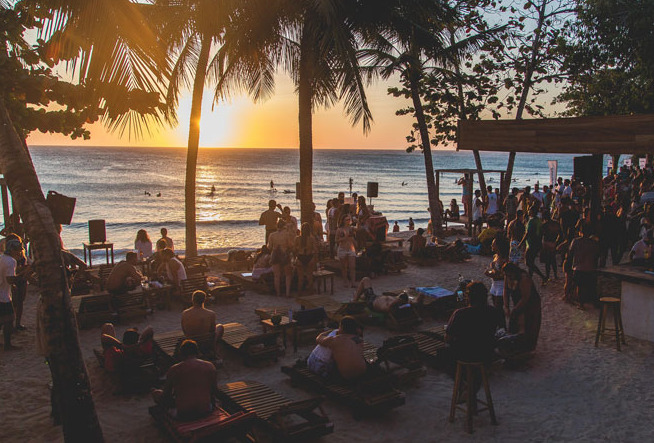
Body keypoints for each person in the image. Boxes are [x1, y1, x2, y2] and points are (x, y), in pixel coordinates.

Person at [152, 340, 218, 420]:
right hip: (206, 410)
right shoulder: (210, 366)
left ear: (181, 353)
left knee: (156, 393)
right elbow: (214, 390)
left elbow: (166, 395)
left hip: (184, 414)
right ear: (197, 352)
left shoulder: (174, 369)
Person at [446, 282, 501, 363]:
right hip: (487, 351)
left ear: (468, 296)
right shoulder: (493, 311)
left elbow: (448, 338)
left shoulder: (460, 313)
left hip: (465, 354)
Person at [501, 262, 542, 354]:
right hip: (518, 299)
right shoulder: (507, 276)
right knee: (516, 322)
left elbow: (525, 297)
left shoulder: (524, 278)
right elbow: (505, 291)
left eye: (509, 275)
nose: (508, 277)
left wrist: (515, 309)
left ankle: (528, 347)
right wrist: (506, 306)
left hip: (531, 302)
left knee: (529, 323)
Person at [310, 316, 366, 380]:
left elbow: (318, 339)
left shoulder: (336, 340)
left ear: (341, 327)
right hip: (361, 372)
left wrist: (329, 331)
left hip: (345, 376)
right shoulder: (360, 341)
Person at [565, 222, 600, 309]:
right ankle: (594, 302)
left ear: (580, 231)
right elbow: (597, 255)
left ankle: (581, 304)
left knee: (579, 287)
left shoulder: (575, 241)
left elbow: (570, 254)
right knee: (591, 286)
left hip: (578, 268)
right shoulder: (593, 243)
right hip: (591, 268)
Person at [181, 290, 224, 356]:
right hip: (205, 341)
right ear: (204, 300)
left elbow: (184, 329)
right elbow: (212, 331)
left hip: (191, 340)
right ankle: (214, 347)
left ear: (192, 300)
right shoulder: (211, 314)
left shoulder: (185, 313)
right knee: (220, 327)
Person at [0, 239, 23, 350]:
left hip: (2, 291)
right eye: (18, 250)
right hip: (3, 295)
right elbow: (10, 279)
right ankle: (8, 345)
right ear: (12, 250)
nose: (19, 252)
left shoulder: (1, 257)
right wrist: (22, 276)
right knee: (9, 319)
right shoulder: (11, 261)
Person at [485, 235, 509, 325]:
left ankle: (502, 326)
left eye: (493, 244)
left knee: (498, 309)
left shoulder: (504, 259)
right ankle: (500, 326)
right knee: (496, 308)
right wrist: (491, 272)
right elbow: (496, 271)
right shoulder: (496, 256)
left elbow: (504, 274)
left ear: (498, 246)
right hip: (494, 285)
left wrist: (491, 274)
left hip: (501, 286)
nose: (492, 246)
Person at [519, 206, 546, 282]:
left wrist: (521, 243)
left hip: (531, 243)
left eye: (530, 210)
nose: (528, 211)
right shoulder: (538, 220)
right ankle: (530, 277)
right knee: (531, 261)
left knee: (528, 262)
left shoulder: (532, 221)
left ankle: (542, 276)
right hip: (537, 243)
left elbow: (527, 233)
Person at [268, 220, 294, 297]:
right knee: (288, 275)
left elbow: (269, 247)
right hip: (284, 254)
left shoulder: (272, 235)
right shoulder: (287, 234)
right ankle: (287, 293)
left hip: (275, 254)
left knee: (277, 275)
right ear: (284, 226)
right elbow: (290, 245)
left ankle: (278, 293)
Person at [294, 222, 318, 295]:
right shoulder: (311, 239)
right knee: (309, 276)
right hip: (309, 256)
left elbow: (294, 249)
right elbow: (315, 250)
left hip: (300, 257)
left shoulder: (297, 238)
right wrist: (314, 258)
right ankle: (310, 292)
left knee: (300, 278)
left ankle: (299, 293)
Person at [336, 214, 357, 288]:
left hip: (350, 248)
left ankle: (353, 282)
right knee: (344, 267)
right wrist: (344, 238)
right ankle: (345, 281)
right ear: (343, 221)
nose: (348, 221)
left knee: (352, 266)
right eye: (346, 220)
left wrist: (356, 246)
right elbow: (336, 240)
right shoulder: (339, 230)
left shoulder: (351, 229)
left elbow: (353, 238)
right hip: (342, 249)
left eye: (349, 219)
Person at [540, 211, 561, 281]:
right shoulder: (556, 224)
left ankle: (548, 276)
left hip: (546, 243)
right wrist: (556, 242)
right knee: (553, 260)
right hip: (554, 243)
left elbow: (540, 235)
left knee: (547, 262)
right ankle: (555, 275)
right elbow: (560, 234)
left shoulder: (544, 225)